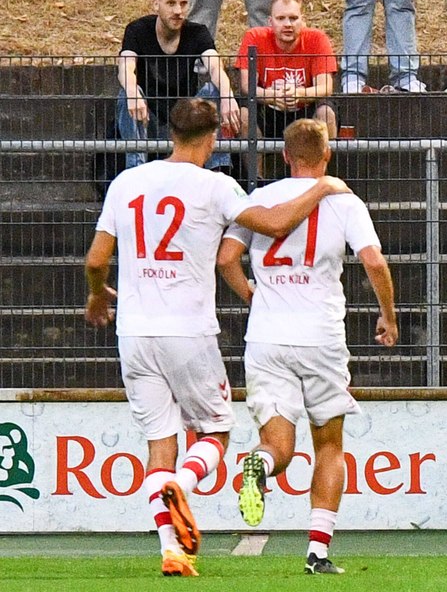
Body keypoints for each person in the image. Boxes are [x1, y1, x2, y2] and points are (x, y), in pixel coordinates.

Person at [84, 98, 351, 577]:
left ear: (170, 133)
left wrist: (96, 297)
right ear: (213, 139)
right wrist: (324, 187)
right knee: (214, 431)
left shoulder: (126, 183)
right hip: (188, 331)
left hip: (134, 334)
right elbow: (272, 222)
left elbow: (95, 260)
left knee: (159, 444)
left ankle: (173, 551)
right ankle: (183, 486)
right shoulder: (216, 186)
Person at [217, 119, 398, 575]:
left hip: (267, 337)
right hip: (320, 338)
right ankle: (317, 553)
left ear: (283, 156)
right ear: (327, 155)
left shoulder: (259, 198)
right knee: (329, 446)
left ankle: (258, 463)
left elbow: (225, 260)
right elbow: (373, 260)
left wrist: (254, 296)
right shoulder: (342, 200)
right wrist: (388, 316)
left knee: (277, 443)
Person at [117, 0, 241, 171]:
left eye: (183, 3)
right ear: (156, 4)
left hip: (186, 122)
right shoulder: (137, 30)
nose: (178, 11)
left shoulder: (197, 32)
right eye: (171, 3)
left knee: (214, 90)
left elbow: (215, 67)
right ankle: (135, 170)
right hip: (149, 119)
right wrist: (132, 91)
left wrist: (228, 97)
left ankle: (216, 172)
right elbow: (126, 66)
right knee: (126, 94)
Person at [235, 0, 338, 141]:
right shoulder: (254, 37)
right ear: (270, 21)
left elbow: (325, 87)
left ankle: (322, 164)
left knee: (326, 112)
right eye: (281, 18)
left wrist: (299, 94)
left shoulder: (318, 38)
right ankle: (254, 165)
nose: (288, 24)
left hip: (306, 108)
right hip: (267, 109)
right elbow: (247, 86)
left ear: (303, 21)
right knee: (244, 114)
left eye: (293, 18)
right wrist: (273, 96)